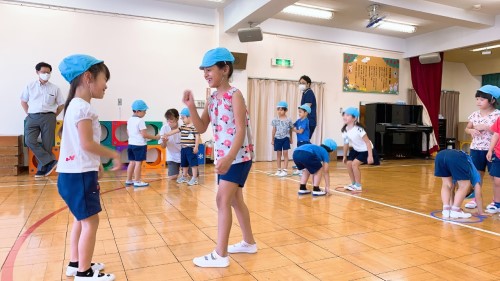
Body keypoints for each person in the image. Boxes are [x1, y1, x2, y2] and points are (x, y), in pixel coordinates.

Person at [183, 47, 257, 268]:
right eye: (203, 71)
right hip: (226, 158)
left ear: (225, 69)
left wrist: (229, 157)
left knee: (221, 200)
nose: (206, 74)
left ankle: (220, 254)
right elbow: (202, 127)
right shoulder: (212, 97)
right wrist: (190, 107)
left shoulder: (235, 95)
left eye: (209, 69)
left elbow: (241, 130)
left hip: (239, 156)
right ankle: (249, 242)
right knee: (235, 200)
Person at [57, 54, 120, 281]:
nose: (106, 85)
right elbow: (87, 143)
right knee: (91, 221)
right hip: (80, 175)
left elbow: (79, 146)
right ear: (88, 77)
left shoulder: (73, 106)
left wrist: (96, 165)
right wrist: (113, 154)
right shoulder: (83, 108)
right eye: (104, 79)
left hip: (72, 174)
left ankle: (76, 264)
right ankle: (84, 273)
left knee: (80, 219)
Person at [21, 61, 65, 178]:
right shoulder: (30, 86)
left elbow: (61, 104)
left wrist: (54, 115)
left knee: (47, 145)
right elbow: (23, 101)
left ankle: (41, 170)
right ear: (37, 72)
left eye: (48, 72)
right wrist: (28, 113)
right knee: (29, 140)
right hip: (32, 117)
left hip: (49, 117)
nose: (46, 74)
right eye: (44, 72)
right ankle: (51, 161)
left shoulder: (55, 88)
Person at [464, 85, 500, 210]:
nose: (478, 102)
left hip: (493, 150)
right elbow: (467, 128)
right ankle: (475, 198)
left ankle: (496, 202)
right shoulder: (474, 115)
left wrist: (486, 128)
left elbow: (498, 131)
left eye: (482, 99)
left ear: (492, 100)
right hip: (476, 149)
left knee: (494, 177)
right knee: (477, 175)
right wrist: (471, 131)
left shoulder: (497, 115)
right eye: (477, 99)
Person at [435, 149, 485, 218]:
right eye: (467, 192)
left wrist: (452, 206)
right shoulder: (475, 176)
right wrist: (481, 212)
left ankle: (446, 209)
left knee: (446, 184)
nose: (458, 189)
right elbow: (478, 194)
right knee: (464, 185)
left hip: (440, 155)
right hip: (456, 157)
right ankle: (455, 211)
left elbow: (452, 191)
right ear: (472, 187)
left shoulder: (458, 176)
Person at [341, 107, 380, 191]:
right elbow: (346, 143)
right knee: (348, 164)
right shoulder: (344, 130)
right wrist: (344, 155)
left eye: (348, 115)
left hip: (366, 149)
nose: (345, 117)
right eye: (344, 115)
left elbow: (367, 143)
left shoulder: (359, 129)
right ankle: (353, 183)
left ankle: (358, 185)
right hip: (356, 149)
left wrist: (370, 156)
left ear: (354, 118)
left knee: (354, 164)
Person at [125, 100, 160, 187]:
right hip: (139, 145)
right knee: (138, 163)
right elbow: (144, 134)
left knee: (132, 162)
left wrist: (133, 138)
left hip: (131, 144)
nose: (145, 113)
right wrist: (155, 137)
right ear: (137, 111)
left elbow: (127, 131)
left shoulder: (130, 120)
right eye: (144, 111)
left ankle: (129, 180)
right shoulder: (140, 121)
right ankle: (137, 181)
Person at [164, 108, 200, 186]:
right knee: (184, 164)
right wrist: (167, 134)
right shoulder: (183, 126)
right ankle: (184, 176)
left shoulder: (194, 126)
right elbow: (176, 131)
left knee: (193, 164)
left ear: (189, 117)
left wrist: (196, 146)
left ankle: (194, 178)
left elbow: (197, 137)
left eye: (183, 118)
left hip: (190, 148)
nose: (182, 120)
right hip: (183, 149)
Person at [159, 108, 182, 180]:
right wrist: (164, 142)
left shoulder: (183, 127)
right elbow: (162, 147)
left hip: (184, 154)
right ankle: (177, 170)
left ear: (177, 118)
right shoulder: (164, 128)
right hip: (172, 156)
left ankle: (184, 170)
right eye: (167, 120)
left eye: (171, 119)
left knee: (193, 175)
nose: (169, 122)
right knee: (173, 177)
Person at [271, 101, 293, 177]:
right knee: (278, 154)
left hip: (286, 138)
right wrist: (272, 139)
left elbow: (290, 129)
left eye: (281, 110)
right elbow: (274, 130)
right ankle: (279, 169)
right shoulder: (275, 119)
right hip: (277, 138)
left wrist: (291, 138)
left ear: (285, 110)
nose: (279, 111)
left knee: (286, 153)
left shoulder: (289, 120)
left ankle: (285, 170)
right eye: (278, 109)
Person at [292, 104, 311, 175]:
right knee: (298, 155)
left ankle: (304, 170)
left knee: (303, 155)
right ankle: (301, 169)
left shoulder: (306, 121)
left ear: (306, 113)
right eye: (299, 112)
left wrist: (293, 130)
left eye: (300, 112)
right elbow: (293, 125)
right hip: (299, 141)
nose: (299, 113)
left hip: (305, 141)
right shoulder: (299, 120)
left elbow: (300, 131)